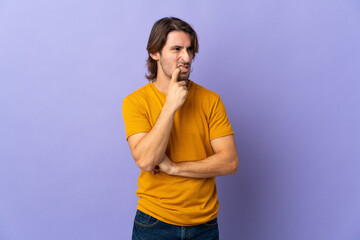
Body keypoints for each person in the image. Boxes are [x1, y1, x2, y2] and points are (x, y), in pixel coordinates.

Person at [122, 17, 239, 240]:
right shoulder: (135, 102)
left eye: (189, 49)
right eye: (176, 49)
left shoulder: (210, 100)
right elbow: (147, 160)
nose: (186, 57)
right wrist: (171, 106)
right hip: (154, 224)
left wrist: (174, 168)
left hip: (205, 224)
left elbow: (230, 162)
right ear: (155, 53)